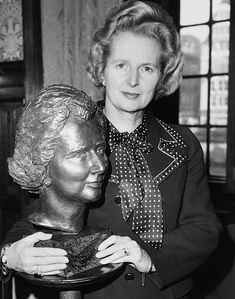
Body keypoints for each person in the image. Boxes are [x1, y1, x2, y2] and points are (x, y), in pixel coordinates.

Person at [1, 1, 222, 299]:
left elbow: (204, 227)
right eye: (121, 65)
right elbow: (35, 216)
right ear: (101, 70)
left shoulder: (183, 143)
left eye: (147, 68)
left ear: (161, 77)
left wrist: (149, 258)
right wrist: (9, 255)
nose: (133, 80)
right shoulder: (69, 134)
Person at [0, 84, 108, 281]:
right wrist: (6, 257)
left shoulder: (99, 230)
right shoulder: (28, 235)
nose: (100, 165)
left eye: (100, 150)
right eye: (80, 154)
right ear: (43, 164)